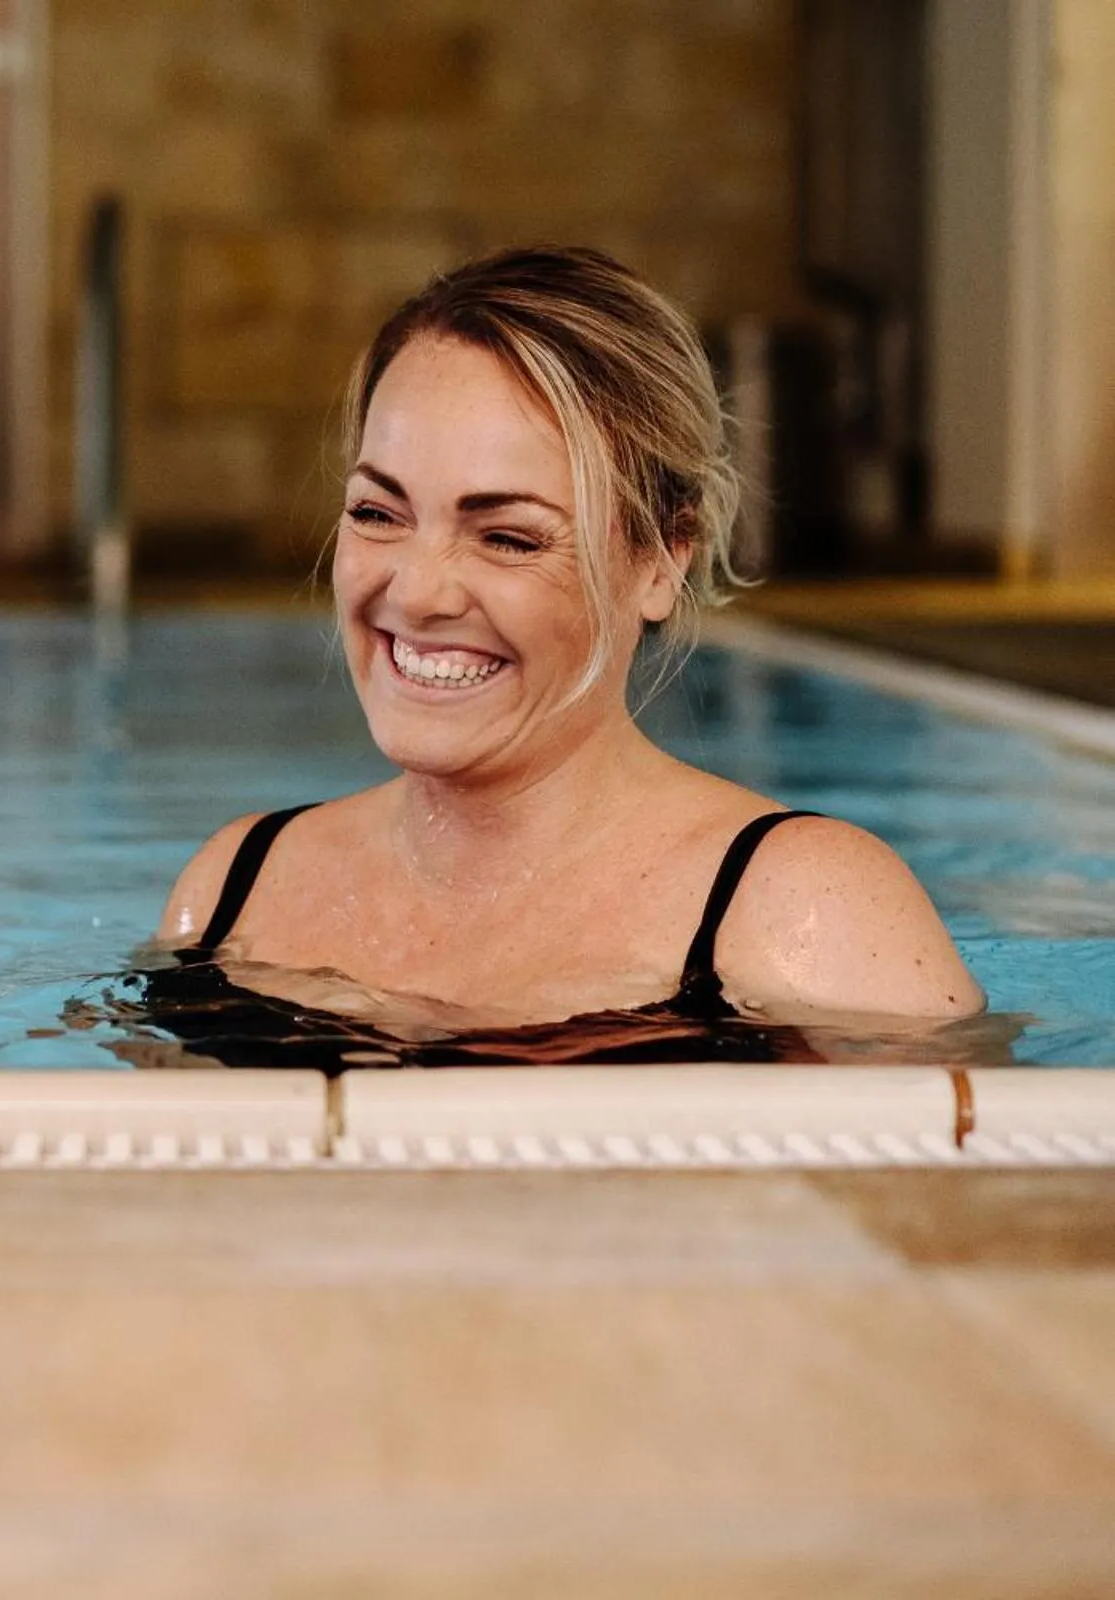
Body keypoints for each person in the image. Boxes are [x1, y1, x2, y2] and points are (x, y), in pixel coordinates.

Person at [146, 246, 983, 1068]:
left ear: (663, 558)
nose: (419, 592)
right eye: (377, 513)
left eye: (507, 536)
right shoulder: (233, 895)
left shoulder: (804, 915)